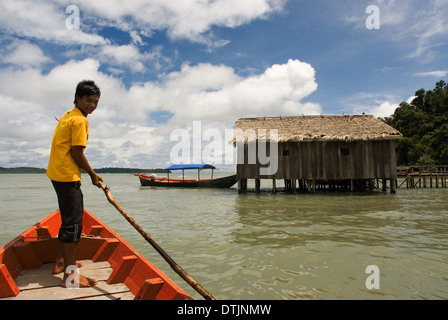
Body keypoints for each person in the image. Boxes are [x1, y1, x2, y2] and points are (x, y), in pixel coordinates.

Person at [46, 80, 103, 288]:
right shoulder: (79, 121)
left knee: (68, 221)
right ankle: (70, 277)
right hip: (67, 176)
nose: (92, 105)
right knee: (74, 226)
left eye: (96, 102)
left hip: (56, 173)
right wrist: (93, 175)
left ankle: (61, 262)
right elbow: (76, 152)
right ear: (77, 98)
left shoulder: (67, 115)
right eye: (88, 100)